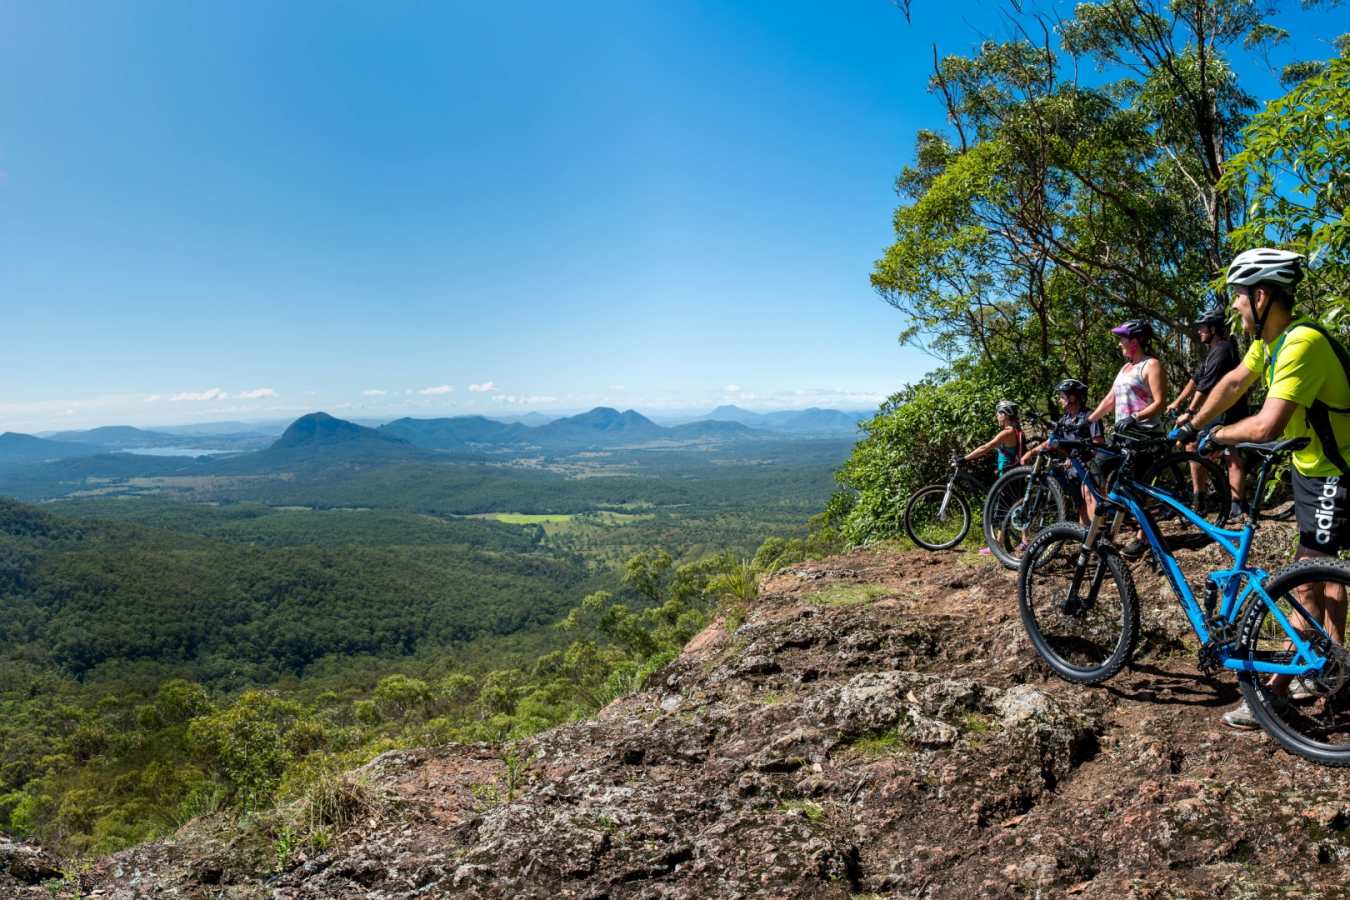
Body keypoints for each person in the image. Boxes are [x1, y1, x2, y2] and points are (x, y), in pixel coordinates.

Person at [1173, 247, 1350, 730]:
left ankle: (1276, 695)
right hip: (1314, 467)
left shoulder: (1299, 343)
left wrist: (1213, 435)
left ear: (1262, 295)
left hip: (1336, 469)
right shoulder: (1269, 341)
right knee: (1325, 572)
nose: (1233, 305)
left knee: (1308, 573)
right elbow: (1233, 383)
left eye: (1238, 296)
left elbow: (1268, 425)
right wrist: (1188, 420)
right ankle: (1330, 666)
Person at [1087, 319, 1169, 556]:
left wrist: (1135, 417)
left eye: (1123, 339)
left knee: (1139, 489)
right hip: (1122, 435)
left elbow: (1160, 402)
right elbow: (1109, 400)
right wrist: (1089, 420)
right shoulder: (1124, 369)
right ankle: (1100, 530)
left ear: (1135, 341)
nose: (1120, 343)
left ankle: (1142, 539)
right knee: (1096, 470)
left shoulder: (1151, 365)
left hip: (1145, 435)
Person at [1169, 305, 1250, 520]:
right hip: (1214, 411)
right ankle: (1200, 497)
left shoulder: (1223, 349)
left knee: (1231, 455)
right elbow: (1196, 379)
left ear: (1214, 328)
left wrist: (1189, 411)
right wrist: (1177, 402)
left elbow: (1206, 385)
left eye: (1203, 327)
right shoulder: (1211, 352)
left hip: (1231, 411)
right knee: (1193, 446)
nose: (1199, 331)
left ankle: (1237, 505)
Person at [1020, 378, 1102, 525]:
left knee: (1089, 495)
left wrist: (1081, 455)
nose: (1059, 400)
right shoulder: (1064, 420)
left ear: (1072, 397)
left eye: (1062, 396)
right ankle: (1086, 539)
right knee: (1079, 503)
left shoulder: (1090, 416)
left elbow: (1098, 443)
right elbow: (1051, 442)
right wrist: (1031, 453)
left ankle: (1098, 536)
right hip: (1072, 468)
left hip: (1089, 466)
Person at [963, 401, 1024, 556]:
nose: (997, 416)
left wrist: (965, 458)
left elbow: (986, 447)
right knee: (1018, 507)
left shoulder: (1007, 432)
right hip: (1016, 474)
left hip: (1008, 476)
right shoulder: (1017, 431)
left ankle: (997, 545)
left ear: (1005, 415)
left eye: (998, 413)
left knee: (1002, 510)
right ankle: (1025, 541)